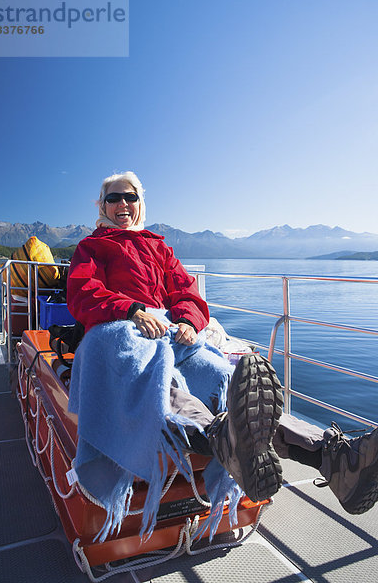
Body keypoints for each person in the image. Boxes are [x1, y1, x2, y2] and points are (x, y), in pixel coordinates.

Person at [67, 171, 378, 541]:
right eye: (114, 198)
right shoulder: (92, 247)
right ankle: (218, 434)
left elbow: (187, 293)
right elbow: (82, 292)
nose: (123, 205)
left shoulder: (159, 248)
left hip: (166, 331)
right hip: (117, 329)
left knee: (219, 375)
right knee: (146, 373)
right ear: (102, 207)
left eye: (130, 198)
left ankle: (333, 457)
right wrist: (133, 310)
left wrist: (186, 321)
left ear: (140, 204)